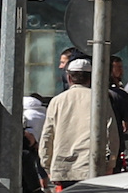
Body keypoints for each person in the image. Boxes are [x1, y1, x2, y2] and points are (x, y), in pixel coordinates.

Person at [38, 58, 106, 186]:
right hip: (91, 167)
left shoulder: (57, 101)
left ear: (68, 77)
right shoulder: (100, 100)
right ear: (91, 78)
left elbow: (47, 136)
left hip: (63, 169)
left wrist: (47, 166)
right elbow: (111, 134)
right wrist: (109, 165)